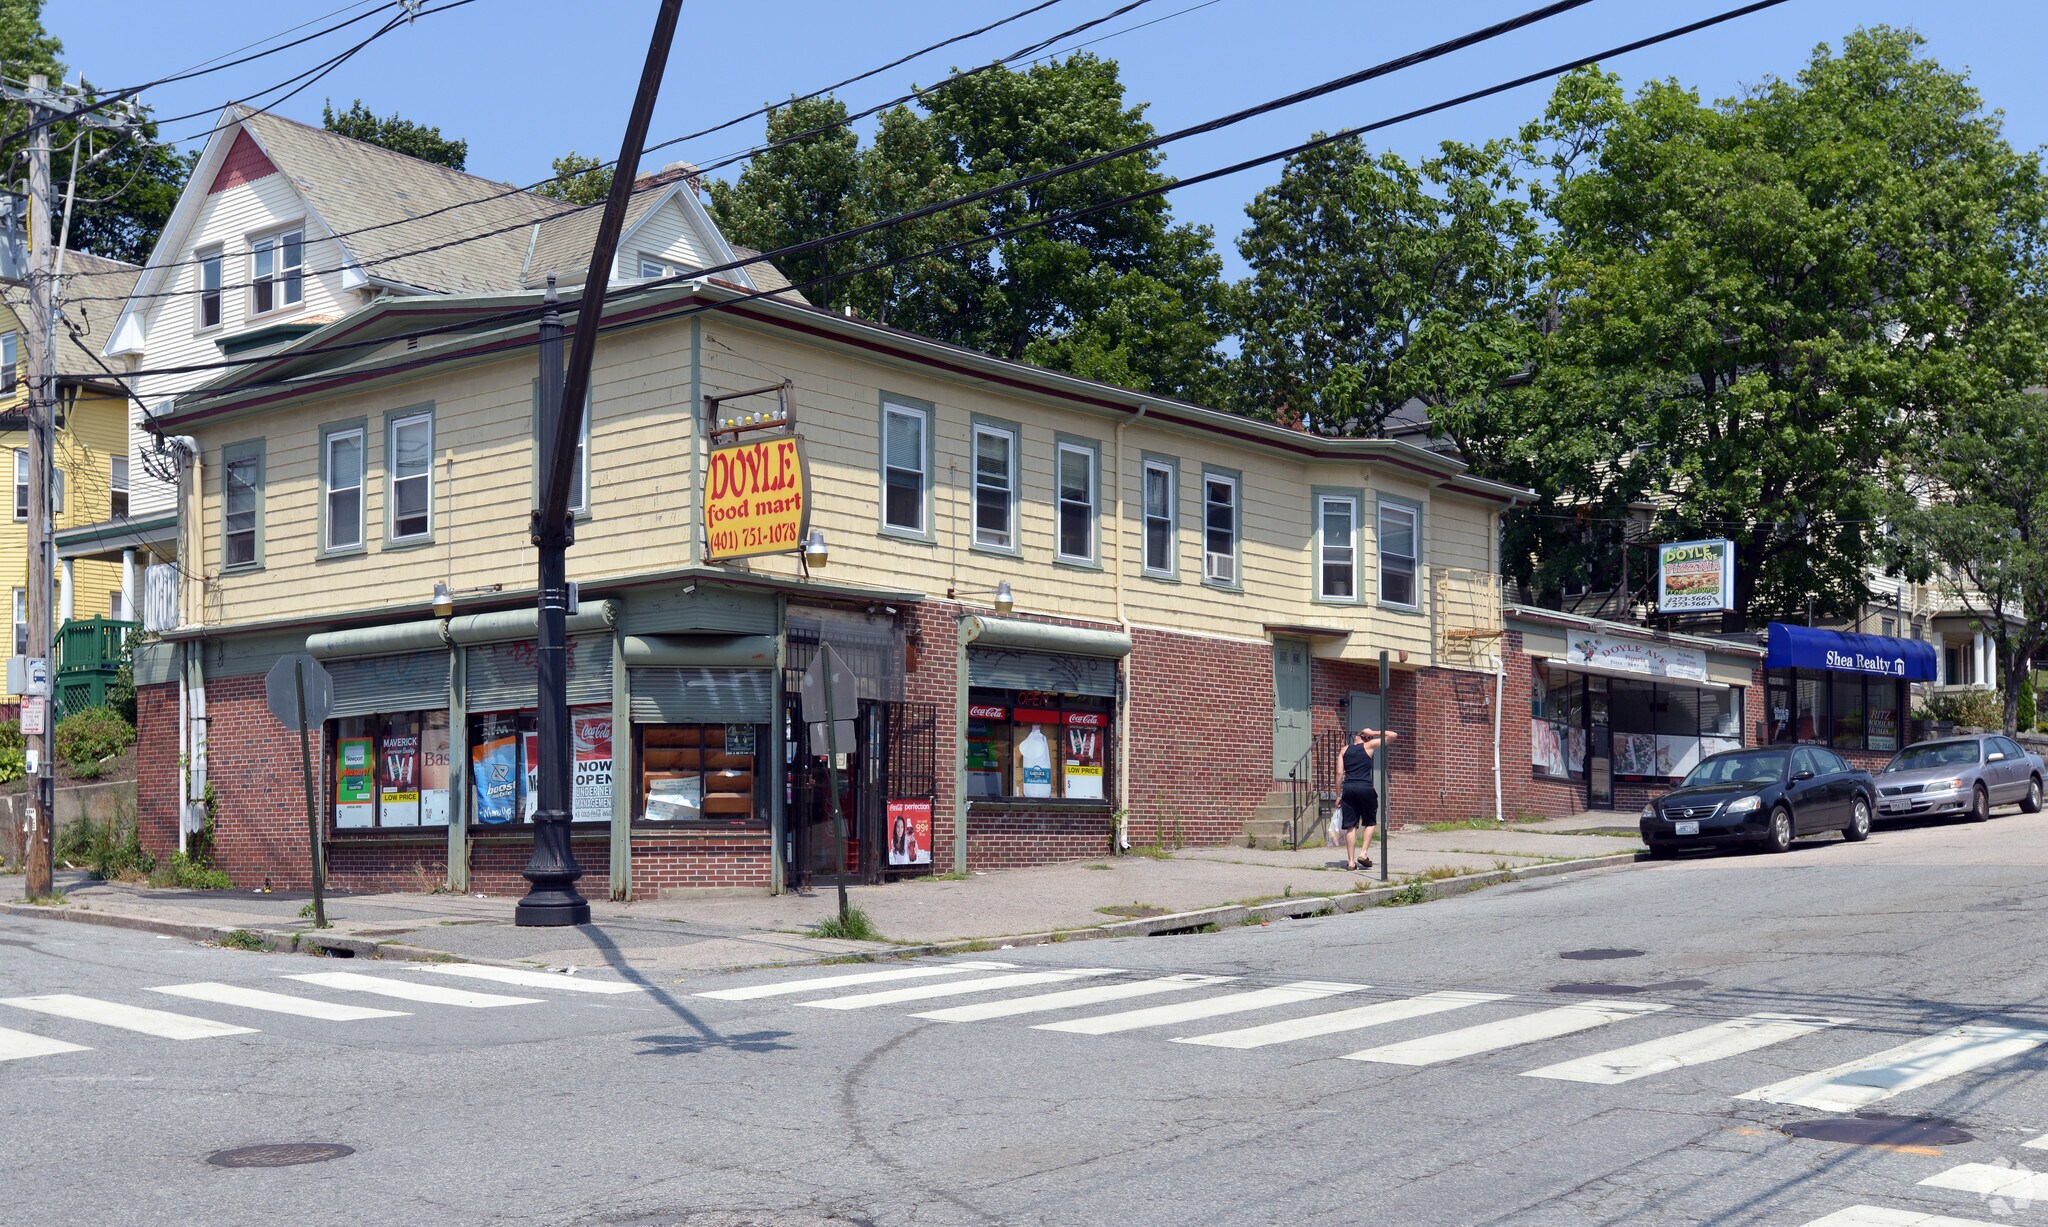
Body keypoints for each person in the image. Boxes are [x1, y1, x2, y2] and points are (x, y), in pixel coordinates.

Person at [1335, 725, 1398, 871]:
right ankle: (1363, 853)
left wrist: (1338, 795)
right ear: (1366, 738)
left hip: (1349, 789)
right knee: (1370, 821)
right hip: (1365, 788)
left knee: (1351, 825)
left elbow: (1339, 774)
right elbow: (1393, 735)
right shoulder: (1369, 746)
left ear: (1355, 738)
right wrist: (1374, 732)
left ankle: (1351, 862)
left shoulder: (1344, 750)